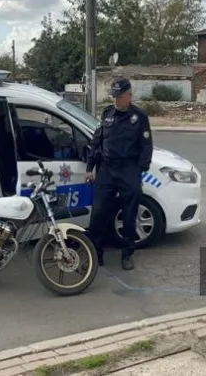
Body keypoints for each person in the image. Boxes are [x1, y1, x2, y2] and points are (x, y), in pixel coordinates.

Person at [85, 78, 153, 271]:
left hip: (128, 170)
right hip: (106, 169)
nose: (116, 100)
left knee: (129, 215)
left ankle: (127, 254)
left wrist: (138, 172)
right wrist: (90, 167)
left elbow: (146, 147)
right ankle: (96, 253)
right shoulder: (107, 113)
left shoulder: (139, 117)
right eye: (114, 96)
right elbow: (96, 142)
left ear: (129, 96)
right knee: (98, 212)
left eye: (119, 97)